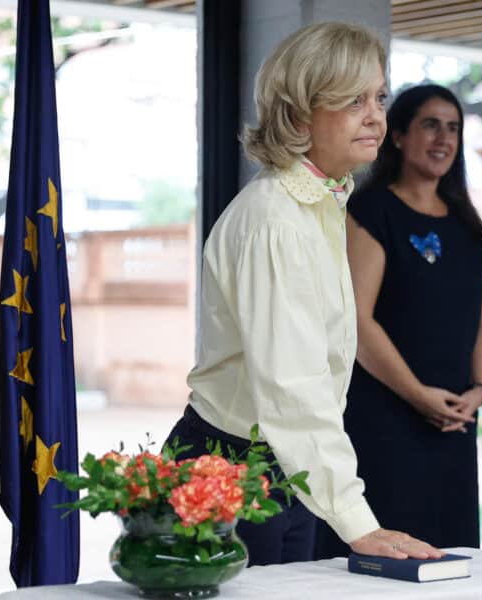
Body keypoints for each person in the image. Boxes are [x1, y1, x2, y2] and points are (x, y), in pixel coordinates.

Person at [164, 22, 443, 566]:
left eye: (379, 97)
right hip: (228, 468)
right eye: (352, 100)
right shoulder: (277, 219)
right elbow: (292, 387)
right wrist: (356, 520)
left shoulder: (318, 204)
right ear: (299, 113)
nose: (376, 116)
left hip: (283, 465)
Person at [313, 84, 482, 559]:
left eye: (453, 128)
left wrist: (478, 391)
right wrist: (420, 397)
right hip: (387, 422)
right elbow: (358, 320)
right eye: (430, 125)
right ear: (397, 135)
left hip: (453, 425)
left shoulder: (464, 221)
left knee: (451, 562)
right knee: (385, 563)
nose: (444, 138)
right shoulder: (373, 211)